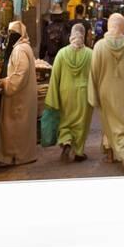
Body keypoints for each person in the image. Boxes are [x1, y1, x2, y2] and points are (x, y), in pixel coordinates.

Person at [88, 13, 124, 175]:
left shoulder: (99, 46)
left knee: (109, 123)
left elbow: (94, 72)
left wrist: (94, 93)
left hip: (106, 91)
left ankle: (113, 153)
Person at [45, 24, 93, 162]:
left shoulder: (62, 53)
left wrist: (52, 96)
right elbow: (95, 75)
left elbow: (55, 76)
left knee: (66, 120)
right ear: (83, 36)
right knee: (81, 123)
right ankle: (78, 152)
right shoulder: (90, 54)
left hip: (65, 92)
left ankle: (66, 141)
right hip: (84, 93)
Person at [0, 21, 38, 168]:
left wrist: (5, 83)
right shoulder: (24, 48)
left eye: (13, 34)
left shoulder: (19, 50)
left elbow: (20, 74)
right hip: (23, 97)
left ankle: (15, 156)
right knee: (19, 127)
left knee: (13, 127)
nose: (10, 37)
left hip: (19, 99)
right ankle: (21, 156)